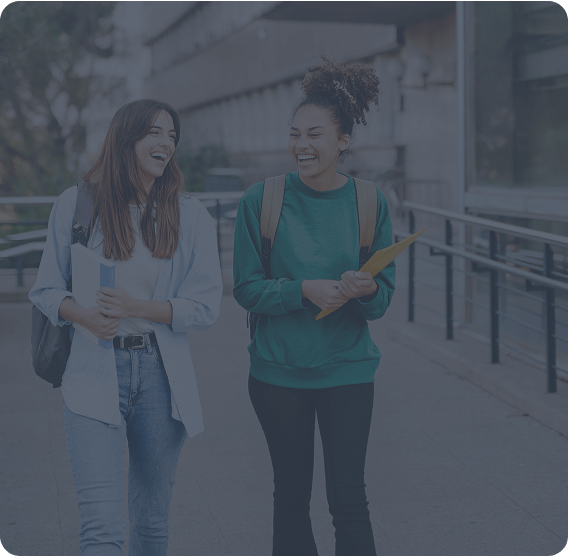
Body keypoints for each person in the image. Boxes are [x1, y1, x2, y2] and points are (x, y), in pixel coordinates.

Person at [28, 99, 223, 555]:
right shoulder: (77, 205)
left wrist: (139, 306)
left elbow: (204, 307)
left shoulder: (190, 214)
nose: (166, 143)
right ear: (125, 138)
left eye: (172, 135)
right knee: (102, 529)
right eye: (154, 132)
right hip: (94, 371)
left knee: (152, 527)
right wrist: (84, 315)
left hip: (159, 375)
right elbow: (45, 290)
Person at [233, 57, 395, 556]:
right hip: (277, 373)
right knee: (291, 498)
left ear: (343, 140)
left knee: (349, 499)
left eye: (315, 135)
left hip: (347, 371)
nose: (301, 145)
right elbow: (245, 288)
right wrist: (303, 289)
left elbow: (382, 299)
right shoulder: (261, 200)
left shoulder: (371, 202)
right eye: (295, 134)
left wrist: (365, 290)